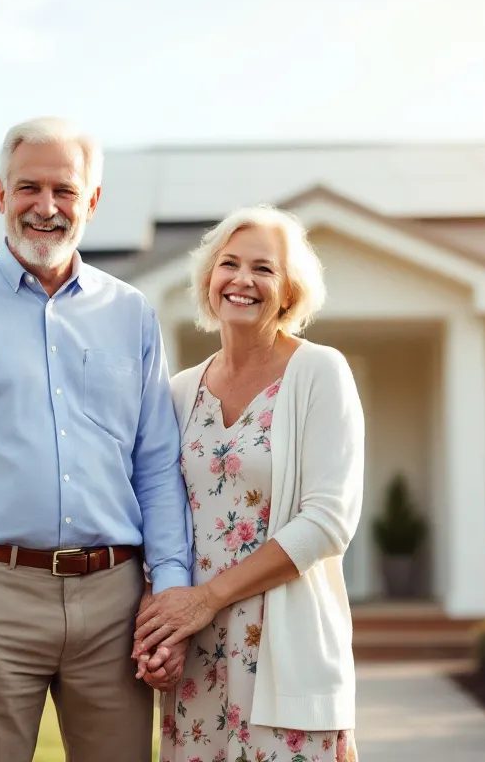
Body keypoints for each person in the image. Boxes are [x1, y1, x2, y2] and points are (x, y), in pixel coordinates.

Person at [0, 117, 192, 762]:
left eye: (65, 191)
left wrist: (170, 584)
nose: (46, 207)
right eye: (28, 188)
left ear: (92, 202)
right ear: (0, 195)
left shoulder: (131, 313)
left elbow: (156, 465)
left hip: (116, 602)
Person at [132, 205, 362, 761]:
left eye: (264, 268)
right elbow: (160, 514)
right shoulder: (179, 391)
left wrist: (205, 599)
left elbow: (328, 523)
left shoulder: (320, 372)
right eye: (228, 264)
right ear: (209, 281)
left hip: (286, 649)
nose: (242, 280)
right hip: (198, 656)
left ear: (288, 291)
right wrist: (164, 626)